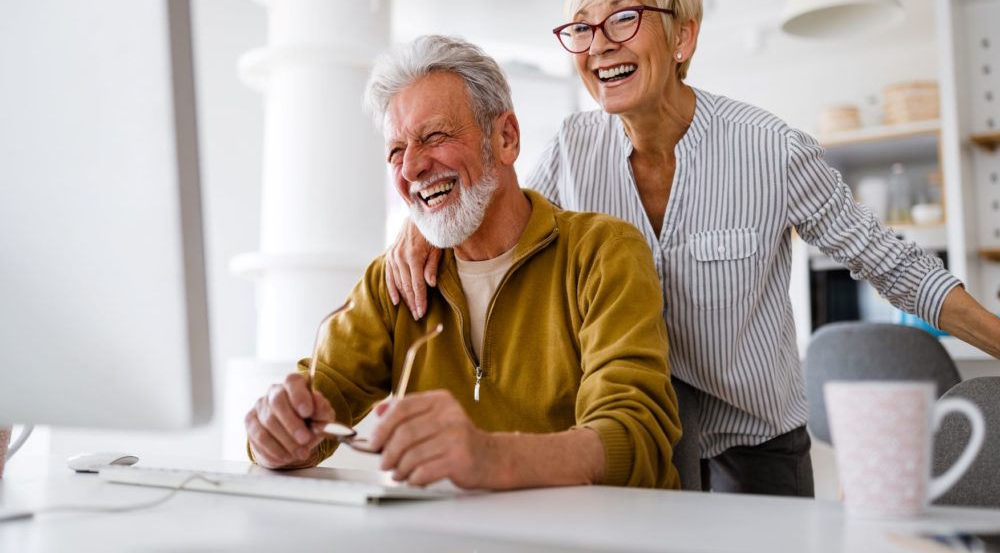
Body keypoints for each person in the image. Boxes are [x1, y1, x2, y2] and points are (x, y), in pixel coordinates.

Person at [384, 0, 1000, 497]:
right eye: (581, 29)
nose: (600, 43)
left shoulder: (772, 151)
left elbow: (897, 267)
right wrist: (424, 223)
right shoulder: (574, 148)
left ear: (683, 37)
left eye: (624, 20)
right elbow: (500, 219)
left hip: (756, 450)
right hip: (637, 446)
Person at [245, 34, 681, 491]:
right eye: (396, 151)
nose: (411, 168)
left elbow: (635, 440)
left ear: (506, 139)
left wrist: (490, 457)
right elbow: (318, 401)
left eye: (434, 136)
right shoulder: (393, 280)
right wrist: (277, 435)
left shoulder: (602, 252)